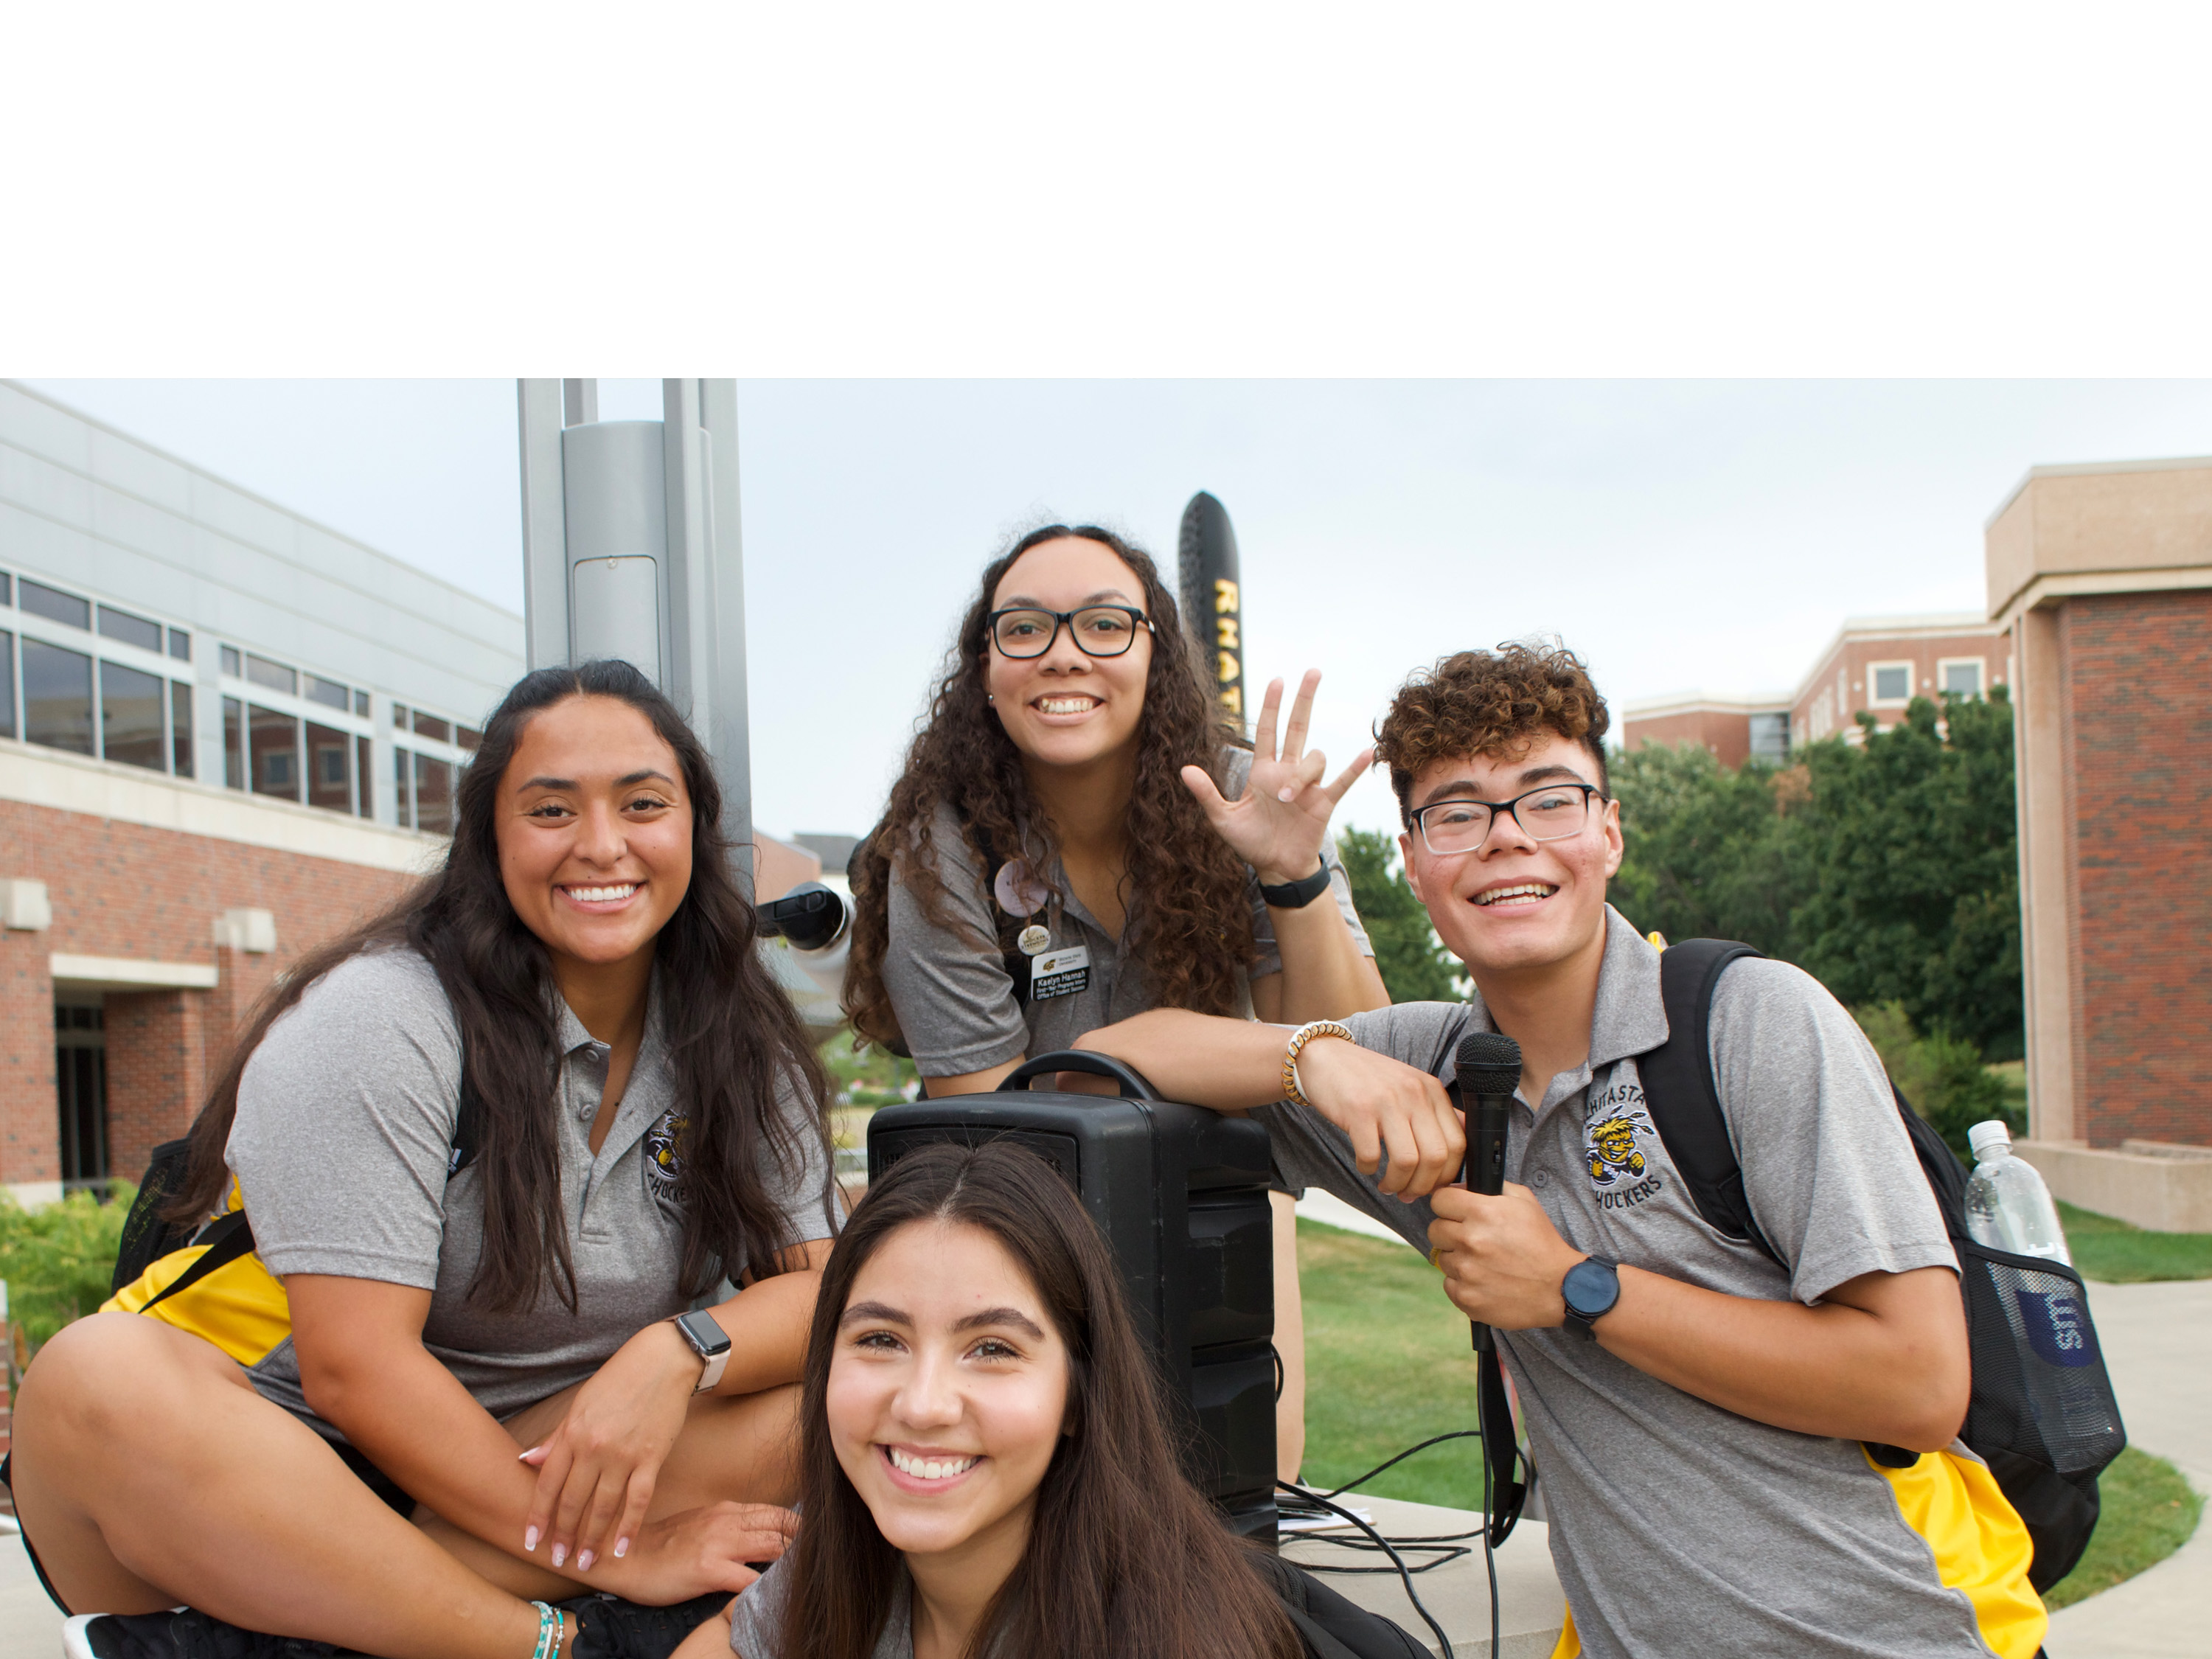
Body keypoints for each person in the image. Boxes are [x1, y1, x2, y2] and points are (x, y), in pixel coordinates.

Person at [1076, 642, 2048, 1659]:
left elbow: (1919, 1382)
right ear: (1414, 861)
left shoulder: (1749, 1022)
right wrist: (1314, 1054)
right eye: (1457, 811)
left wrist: (1579, 1286)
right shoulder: (1432, 1066)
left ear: (1610, 832)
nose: (1506, 840)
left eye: (1549, 798)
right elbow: (1105, 1058)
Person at [8, 660, 838, 1659]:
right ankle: (542, 1644)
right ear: (491, 838)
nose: (602, 844)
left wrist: (675, 1355)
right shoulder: (383, 1016)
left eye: (643, 803)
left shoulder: (733, 1029)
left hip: (558, 1455)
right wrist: (618, 1563)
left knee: (830, 1403)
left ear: (692, 831)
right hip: (297, 1468)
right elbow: (357, 1372)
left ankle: (333, 1621)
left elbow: (824, 1297)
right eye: (550, 809)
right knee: (96, 1374)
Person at [844, 523, 1389, 1479]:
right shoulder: (940, 848)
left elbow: (1360, 1037)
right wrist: (1153, 1050)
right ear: (984, 663)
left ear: (1154, 650)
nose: (1063, 651)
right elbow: (986, 1116)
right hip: (1024, 1229)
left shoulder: (1239, 792)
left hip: (1224, 1195)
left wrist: (1293, 877)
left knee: (1239, 1505)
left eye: (1104, 623)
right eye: (1025, 627)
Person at [668, 1138, 1307, 1659]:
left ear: (1080, 1399)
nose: (923, 1405)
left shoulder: (1171, 1637)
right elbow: (733, 1638)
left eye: (994, 1349)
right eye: (882, 1338)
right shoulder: (845, 1557)